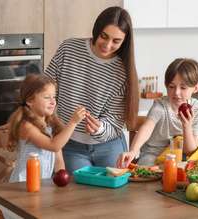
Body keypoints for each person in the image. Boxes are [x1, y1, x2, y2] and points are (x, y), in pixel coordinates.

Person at [44, 6, 139, 173]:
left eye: (116, 41)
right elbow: (44, 89)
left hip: (110, 147)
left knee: (115, 197)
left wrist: (100, 129)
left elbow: (115, 122)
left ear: (124, 41)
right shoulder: (69, 49)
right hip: (70, 145)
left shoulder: (123, 71)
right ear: (97, 30)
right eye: (104, 36)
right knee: (76, 196)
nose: (108, 45)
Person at [117, 58, 198, 168]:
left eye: (183, 87)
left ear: (195, 88)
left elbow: (190, 151)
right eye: (171, 87)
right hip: (153, 156)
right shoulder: (161, 105)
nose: (177, 93)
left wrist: (187, 126)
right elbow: (147, 127)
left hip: (181, 159)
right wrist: (133, 151)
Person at [7, 74, 86, 182]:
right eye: (47, 97)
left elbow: (58, 161)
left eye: (54, 97)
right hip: (23, 184)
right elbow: (54, 146)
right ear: (30, 101)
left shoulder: (50, 125)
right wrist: (73, 122)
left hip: (42, 184)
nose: (53, 102)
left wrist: (62, 181)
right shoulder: (27, 126)